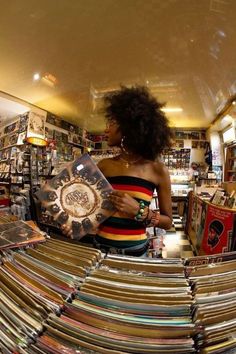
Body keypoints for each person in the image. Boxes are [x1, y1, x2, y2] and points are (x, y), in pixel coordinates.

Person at [62, 85, 173, 256]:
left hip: (136, 253)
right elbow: (90, 210)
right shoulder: (104, 166)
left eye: (112, 123)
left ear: (129, 127)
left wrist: (140, 212)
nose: (106, 129)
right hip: (101, 249)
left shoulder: (157, 170)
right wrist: (74, 224)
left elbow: (167, 222)